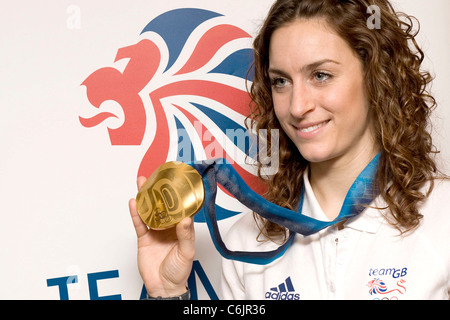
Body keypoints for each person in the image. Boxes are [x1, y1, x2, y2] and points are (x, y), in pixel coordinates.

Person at [128, 0, 449, 300]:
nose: (297, 106)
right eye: (281, 81)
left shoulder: (442, 217)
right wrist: (168, 293)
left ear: (375, 76)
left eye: (320, 75)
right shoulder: (246, 242)